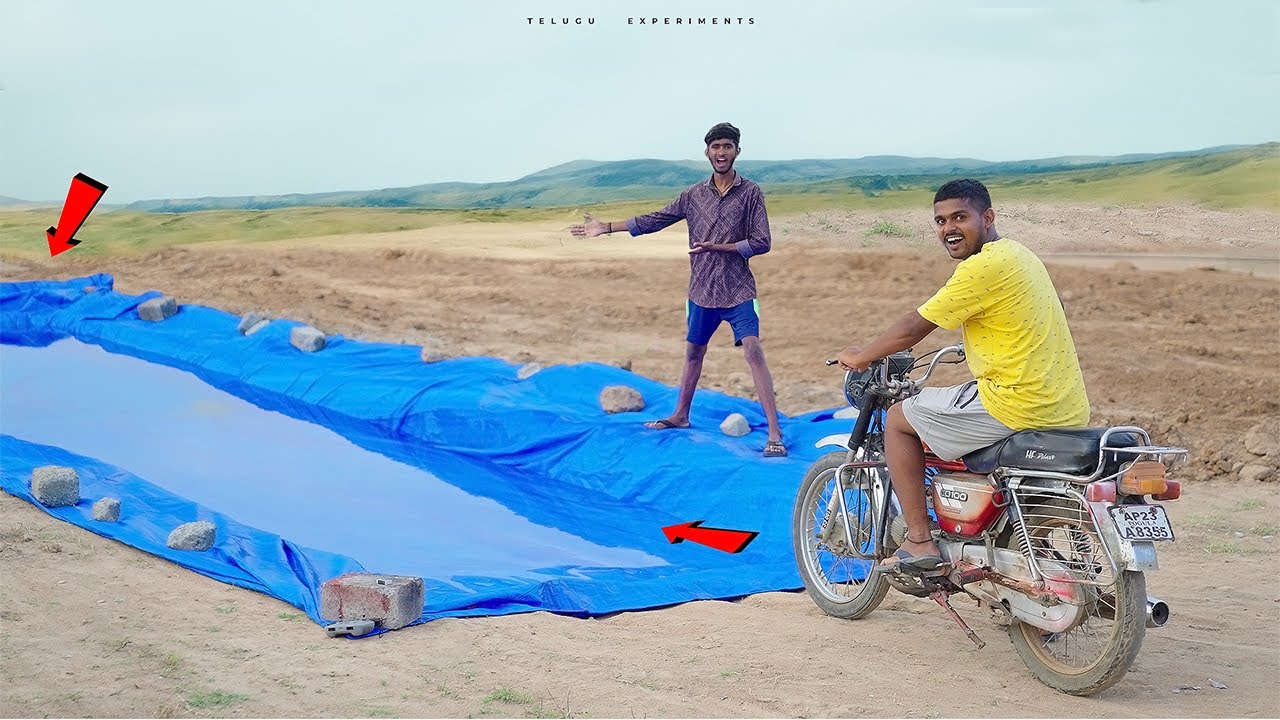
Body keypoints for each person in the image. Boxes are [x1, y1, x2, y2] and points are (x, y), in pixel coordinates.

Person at [838, 178, 1090, 571]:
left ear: (987, 218)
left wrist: (862, 356)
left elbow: (913, 328)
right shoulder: (1019, 254)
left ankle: (919, 541)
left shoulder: (982, 267)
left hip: (1016, 402)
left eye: (960, 217)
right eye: (940, 221)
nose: (948, 229)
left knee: (901, 419)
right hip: (1065, 403)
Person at [570, 122, 786, 457]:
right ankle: (681, 415)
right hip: (700, 290)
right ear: (707, 152)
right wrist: (606, 228)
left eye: (727, 146)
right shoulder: (693, 195)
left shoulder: (751, 193)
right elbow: (655, 219)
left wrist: (721, 247)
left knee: (754, 352)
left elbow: (763, 242)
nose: (721, 153)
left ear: (737, 151)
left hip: (738, 290)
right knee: (693, 353)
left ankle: (774, 433)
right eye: (715, 147)